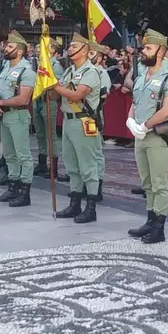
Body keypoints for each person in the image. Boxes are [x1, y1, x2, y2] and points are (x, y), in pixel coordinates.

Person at [126, 29, 168, 244]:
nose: (143, 51)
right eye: (144, 48)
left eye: (148, 48)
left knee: (159, 183)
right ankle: (150, 219)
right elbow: (135, 102)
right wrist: (130, 120)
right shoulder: (142, 77)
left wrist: (145, 125)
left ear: (161, 51)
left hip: (157, 136)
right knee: (146, 182)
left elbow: (167, 110)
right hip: (140, 135)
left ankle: (159, 226)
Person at [55, 33, 105, 223]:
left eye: (74, 46)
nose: (70, 49)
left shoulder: (90, 72)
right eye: (70, 46)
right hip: (68, 121)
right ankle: (74, 203)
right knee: (72, 165)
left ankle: (90, 207)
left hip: (84, 121)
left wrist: (54, 85)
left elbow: (77, 96)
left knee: (88, 165)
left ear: (85, 50)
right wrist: (48, 86)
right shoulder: (68, 72)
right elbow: (56, 95)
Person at [0, 30, 36, 207]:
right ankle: (13, 186)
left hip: (18, 114)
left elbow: (24, 98)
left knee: (23, 154)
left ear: (19, 51)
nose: (5, 48)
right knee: (9, 154)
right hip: (6, 114)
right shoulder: (5, 68)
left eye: (10, 46)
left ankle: (25, 192)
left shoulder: (26, 70)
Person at [33, 39, 67, 181]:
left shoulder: (55, 65)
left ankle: (53, 167)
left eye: (43, 47)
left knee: (51, 135)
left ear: (52, 50)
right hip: (38, 100)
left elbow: (57, 86)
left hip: (49, 100)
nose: (38, 49)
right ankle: (41, 163)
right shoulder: (38, 64)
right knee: (40, 134)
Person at [89, 41, 110, 201]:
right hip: (82, 116)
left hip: (93, 115)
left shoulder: (101, 73)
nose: (89, 56)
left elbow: (103, 96)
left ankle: (98, 187)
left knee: (96, 152)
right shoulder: (86, 71)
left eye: (92, 53)